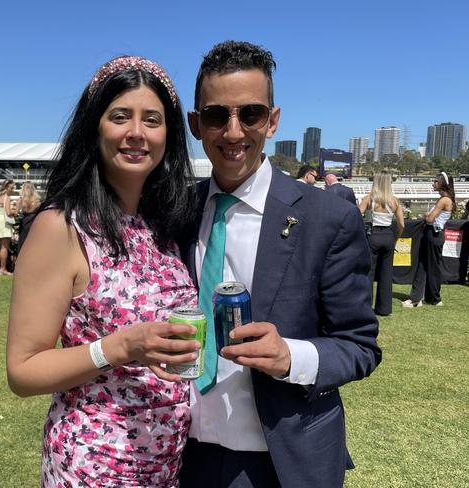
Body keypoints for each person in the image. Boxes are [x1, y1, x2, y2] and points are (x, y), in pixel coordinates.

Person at [180, 41, 381, 488]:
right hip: (181, 455)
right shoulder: (174, 212)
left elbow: (360, 345)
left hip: (280, 462)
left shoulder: (327, 217)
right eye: (216, 115)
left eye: (249, 114)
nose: (233, 132)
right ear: (196, 124)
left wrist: (292, 355)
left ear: (272, 121)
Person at [7, 55, 199, 487]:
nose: (136, 132)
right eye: (120, 117)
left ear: (169, 133)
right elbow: (22, 371)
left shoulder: (164, 225)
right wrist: (118, 347)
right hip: (94, 465)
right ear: (95, 127)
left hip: (168, 466)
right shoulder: (61, 226)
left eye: (152, 119)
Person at [402, 172, 456, 308]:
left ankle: (424, 299)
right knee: (428, 266)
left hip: (434, 235)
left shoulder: (444, 200)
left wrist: (427, 216)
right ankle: (430, 298)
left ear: (443, 183)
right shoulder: (446, 199)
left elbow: (430, 219)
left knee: (428, 267)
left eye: (436, 181)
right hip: (434, 235)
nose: (433, 183)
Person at [358, 170, 405, 316]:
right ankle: (384, 309)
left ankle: (365, 306)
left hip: (373, 236)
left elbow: (356, 216)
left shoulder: (369, 199)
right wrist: (396, 238)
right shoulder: (395, 201)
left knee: (369, 272)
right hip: (388, 236)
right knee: (386, 273)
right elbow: (402, 225)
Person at [15, 180, 41, 254]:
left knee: (23, 244)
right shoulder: (37, 199)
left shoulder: (22, 200)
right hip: (35, 222)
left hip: (25, 222)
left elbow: (16, 212)